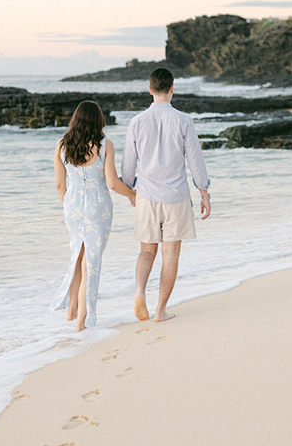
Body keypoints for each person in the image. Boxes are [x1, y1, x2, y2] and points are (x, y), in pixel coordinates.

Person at [120, 68, 211, 323]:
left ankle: (139, 292)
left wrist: (129, 190)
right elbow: (196, 161)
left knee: (147, 251)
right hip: (176, 197)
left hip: (147, 196)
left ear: (150, 89)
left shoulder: (137, 121)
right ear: (172, 89)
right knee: (170, 254)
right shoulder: (183, 120)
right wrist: (204, 193)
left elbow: (128, 163)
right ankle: (160, 310)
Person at [50, 101, 136, 332]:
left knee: (77, 256)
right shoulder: (104, 145)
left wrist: (70, 207)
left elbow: (60, 185)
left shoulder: (61, 145)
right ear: (98, 120)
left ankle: (71, 311)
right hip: (99, 208)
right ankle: (83, 320)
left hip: (73, 207)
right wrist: (134, 195)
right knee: (91, 261)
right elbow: (113, 183)